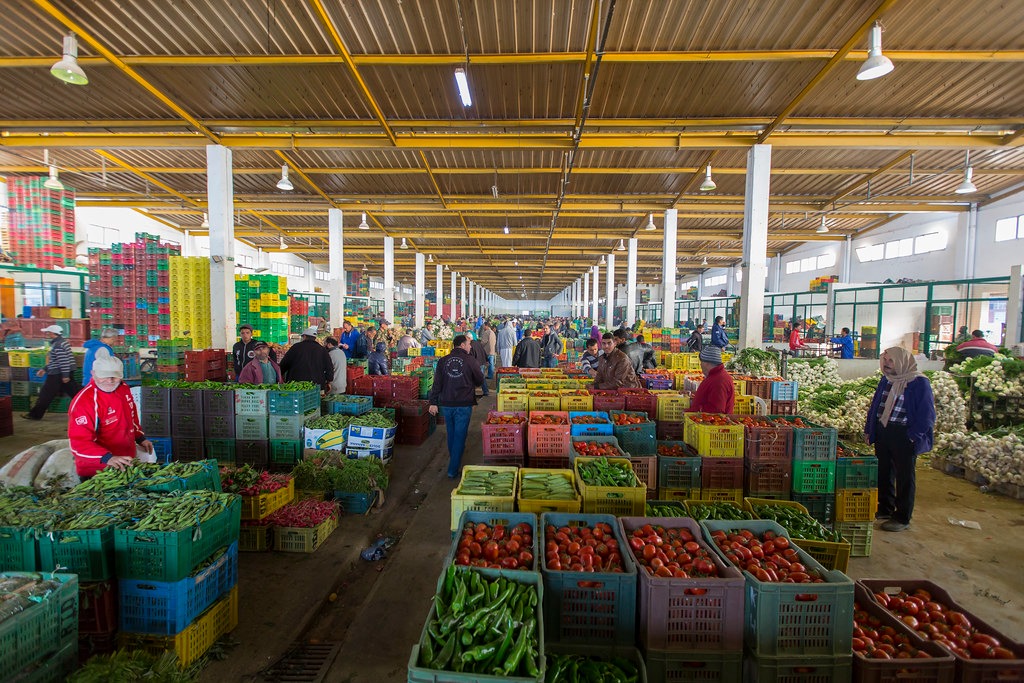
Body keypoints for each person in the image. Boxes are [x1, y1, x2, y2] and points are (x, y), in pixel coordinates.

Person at [864, 347, 936, 533]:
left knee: (905, 476)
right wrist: (870, 429)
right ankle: (885, 508)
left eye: (891, 361)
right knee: (884, 471)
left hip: (904, 434)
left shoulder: (919, 383)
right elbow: (876, 406)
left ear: (902, 362)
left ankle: (902, 516)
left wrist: (913, 436)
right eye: (885, 360)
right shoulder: (886, 380)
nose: (886, 364)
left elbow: (927, 414)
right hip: (884, 430)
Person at [68, 350, 153, 478]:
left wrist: (140, 438)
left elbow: (131, 417)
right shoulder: (84, 403)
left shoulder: (123, 389)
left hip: (126, 462)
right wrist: (107, 458)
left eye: (115, 376)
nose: (110, 380)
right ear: (93, 374)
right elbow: (79, 443)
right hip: (99, 470)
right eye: (104, 376)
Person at [428, 334, 484, 479]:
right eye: (469, 344)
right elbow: (480, 379)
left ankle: (454, 458)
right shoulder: (470, 360)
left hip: (447, 403)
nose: (470, 346)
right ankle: (452, 470)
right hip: (463, 404)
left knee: (451, 434)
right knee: (460, 436)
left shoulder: (443, 361)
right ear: (462, 345)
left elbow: (437, 383)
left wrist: (433, 402)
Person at [23, 325, 81, 420]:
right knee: (76, 392)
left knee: (46, 394)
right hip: (62, 372)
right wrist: (45, 369)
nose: (47, 334)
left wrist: (65, 375)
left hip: (57, 374)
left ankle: (35, 415)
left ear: (53, 333)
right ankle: (92, 407)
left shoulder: (58, 345)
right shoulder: (62, 342)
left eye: (48, 332)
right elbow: (56, 361)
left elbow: (63, 361)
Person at [279, 327, 333, 391]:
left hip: (296, 385)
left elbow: (284, 363)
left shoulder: (296, 347)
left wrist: (279, 375)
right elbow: (329, 367)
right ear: (315, 338)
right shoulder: (322, 350)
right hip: (316, 384)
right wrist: (329, 380)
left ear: (304, 336)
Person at [688, 346, 735, 414]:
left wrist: (698, 409)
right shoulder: (715, 376)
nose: (700, 365)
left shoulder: (719, 381)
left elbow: (717, 410)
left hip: (708, 420)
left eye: (701, 362)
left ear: (706, 363)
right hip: (701, 418)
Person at [468, 332, 489, 397]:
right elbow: (483, 351)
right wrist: (486, 359)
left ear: (468, 338)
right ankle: (485, 391)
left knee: (475, 378)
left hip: (477, 363)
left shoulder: (470, 345)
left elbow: (471, 356)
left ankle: (473, 392)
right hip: (482, 362)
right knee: (481, 377)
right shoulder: (478, 343)